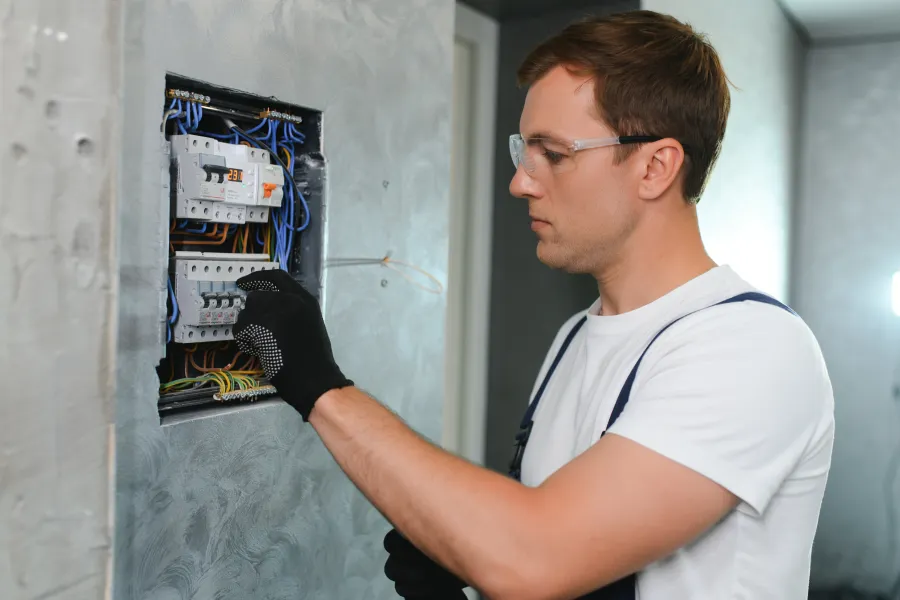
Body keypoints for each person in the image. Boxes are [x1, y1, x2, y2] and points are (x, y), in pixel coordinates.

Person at [233, 9, 835, 600]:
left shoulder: (750, 349)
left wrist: (321, 388)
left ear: (655, 166)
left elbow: (539, 556)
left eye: (554, 153)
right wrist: (471, 560)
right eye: (526, 151)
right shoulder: (576, 335)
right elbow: (549, 554)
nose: (521, 181)